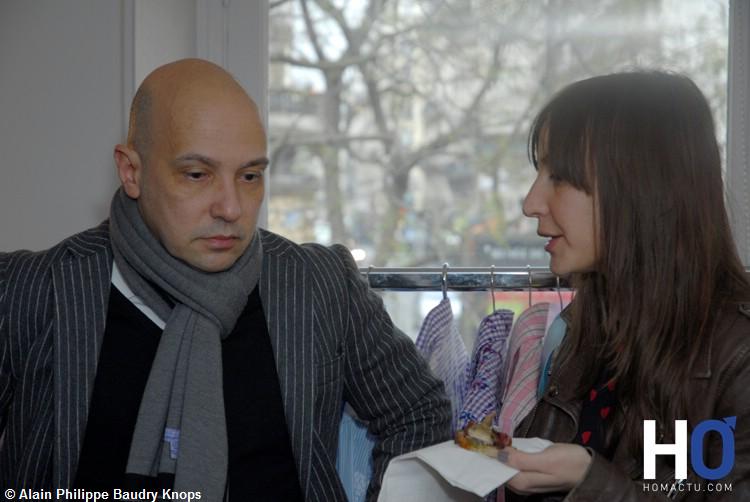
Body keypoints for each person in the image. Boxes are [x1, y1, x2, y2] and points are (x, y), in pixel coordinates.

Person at [0, 58, 451, 501]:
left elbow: (419, 413)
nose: (231, 208)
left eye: (250, 176)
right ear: (131, 171)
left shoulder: (319, 283)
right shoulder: (30, 289)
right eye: (197, 175)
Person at [503, 71, 750, 500]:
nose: (530, 203)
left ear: (639, 188)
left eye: (558, 176)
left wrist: (590, 480)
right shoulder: (586, 328)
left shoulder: (738, 355)